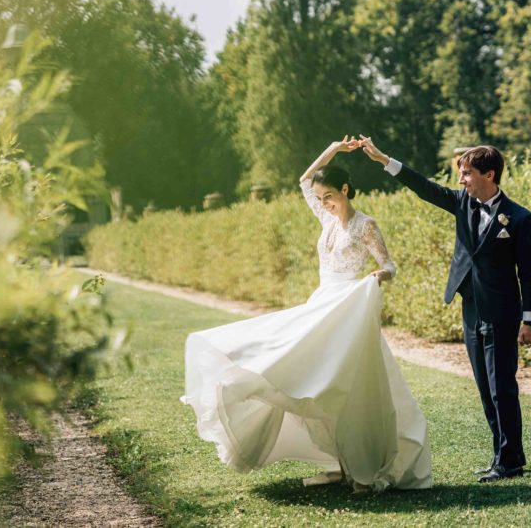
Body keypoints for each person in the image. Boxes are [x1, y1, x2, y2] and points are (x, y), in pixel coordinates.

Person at [182, 136, 433, 493]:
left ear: (345, 190)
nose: (324, 204)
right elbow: (303, 180)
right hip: (320, 305)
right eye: (320, 200)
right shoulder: (325, 218)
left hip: (347, 310)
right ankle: (339, 463)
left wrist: (377, 276)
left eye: (328, 197)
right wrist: (332, 148)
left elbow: (389, 265)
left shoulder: (365, 225)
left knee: (346, 385)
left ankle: (360, 464)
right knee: (301, 372)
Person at [359, 136, 531, 482]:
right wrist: (385, 160)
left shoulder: (518, 219)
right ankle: (502, 455)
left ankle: (510, 461)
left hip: (502, 312)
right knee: (486, 388)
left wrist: (528, 319)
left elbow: (528, 273)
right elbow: (423, 187)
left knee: (503, 387)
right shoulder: (462, 204)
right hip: (470, 309)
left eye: (467, 173)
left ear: (489, 174)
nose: (461, 180)